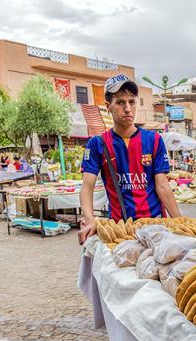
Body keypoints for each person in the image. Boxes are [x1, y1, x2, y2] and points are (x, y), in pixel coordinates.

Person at [78, 74, 181, 244]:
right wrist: (89, 220)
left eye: (131, 102)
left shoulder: (153, 140)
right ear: (108, 106)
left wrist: (180, 223)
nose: (127, 108)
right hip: (120, 230)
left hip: (155, 225)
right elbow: (87, 188)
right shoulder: (97, 144)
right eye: (120, 102)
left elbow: (162, 185)